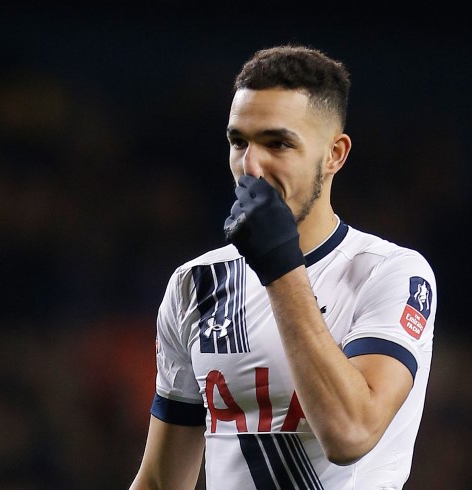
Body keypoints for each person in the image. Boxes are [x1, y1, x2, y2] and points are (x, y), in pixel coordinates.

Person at [130, 45, 437, 489]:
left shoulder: (389, 273)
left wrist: (280, 266)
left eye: (277, 143)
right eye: (239, 142)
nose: (250, 166)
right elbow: (161, 480)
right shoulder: (196, 283)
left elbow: (350, 433)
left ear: (334, 154)